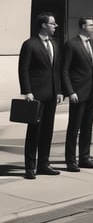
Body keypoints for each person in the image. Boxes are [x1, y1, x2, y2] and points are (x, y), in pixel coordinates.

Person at [18, 12, 63, 179]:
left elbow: (57, 70)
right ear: (44, 25)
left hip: (52, 93)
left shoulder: (55, 44)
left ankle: (44, 164)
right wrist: (27, 91)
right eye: (52, 23)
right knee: (34, 131)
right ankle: (30, 167)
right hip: (36, 94)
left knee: (48, 130)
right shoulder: (30, 44)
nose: (55, 26)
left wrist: (59, 90)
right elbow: (23, 69)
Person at [63, 17, 93, 172]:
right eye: (91, 25)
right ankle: (71, 160)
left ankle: (85, 158)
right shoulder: (71, 45)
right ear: (82, 27)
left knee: (88, 127)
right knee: (74, 127)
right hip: (78, 93)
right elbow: (65, 70)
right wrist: (70, 91)